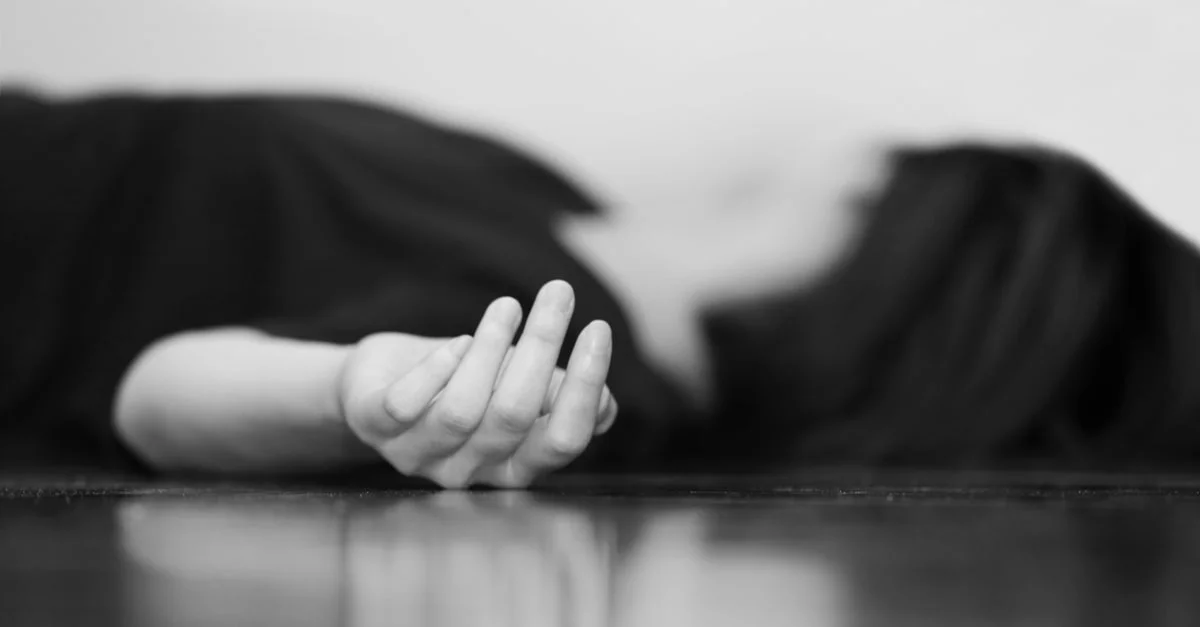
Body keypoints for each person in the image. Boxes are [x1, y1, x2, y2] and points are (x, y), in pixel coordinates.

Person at [2, 90, 1196, 488]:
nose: (845, 154)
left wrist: (363, 389)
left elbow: (161, 397)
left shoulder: (555, 342)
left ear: (892, 270)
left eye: (882, 180)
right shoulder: (549, 202)